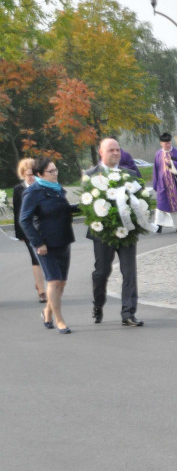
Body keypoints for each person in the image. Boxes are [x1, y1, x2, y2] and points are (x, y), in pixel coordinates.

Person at [85, 138, 144, 327]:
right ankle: (98, 304)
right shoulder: (90, 175)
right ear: (101, 152)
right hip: (102, 233)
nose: (116, 153)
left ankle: (128, 313)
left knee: (129, 272)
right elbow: (87, 205)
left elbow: (141, 199)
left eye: (118, 150)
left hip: (127, 231)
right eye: (111, 150)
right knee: (101, 272)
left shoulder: (131, 174)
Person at [19, 157, 78, 334]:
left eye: (56, 170)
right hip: (45, 244)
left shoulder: (58, 190)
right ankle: (59, 320)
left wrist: (87, 206)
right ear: (39, 174)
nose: (55, 174)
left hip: (63, 240)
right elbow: (24, 220)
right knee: (53, 281)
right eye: (51, 172)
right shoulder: (33, 192)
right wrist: (38, 242)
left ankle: (47, 312)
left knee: (62, 283)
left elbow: (63, 210)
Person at [12, 158, 48, 303]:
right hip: (28, 229)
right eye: (28, 174)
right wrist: (19, 233)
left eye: (34, 173)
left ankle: (41, 283)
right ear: (23, 174)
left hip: (44, 227)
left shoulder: (44, 187)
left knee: (47, 256)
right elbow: (17, 212)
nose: (32, 177)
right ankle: (41, 290)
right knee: (36, 257)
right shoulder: (18, 190)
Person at [153, 132, 177, 232]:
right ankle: (158, 225)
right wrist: (155, 183)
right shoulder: (158, 154)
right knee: (161, 204)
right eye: (165, 143)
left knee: (175, 204)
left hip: (175, 184)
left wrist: (173, 163)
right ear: (161, 143)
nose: (167, 145)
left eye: (169, 143)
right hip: (162, 184)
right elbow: (156, 169)